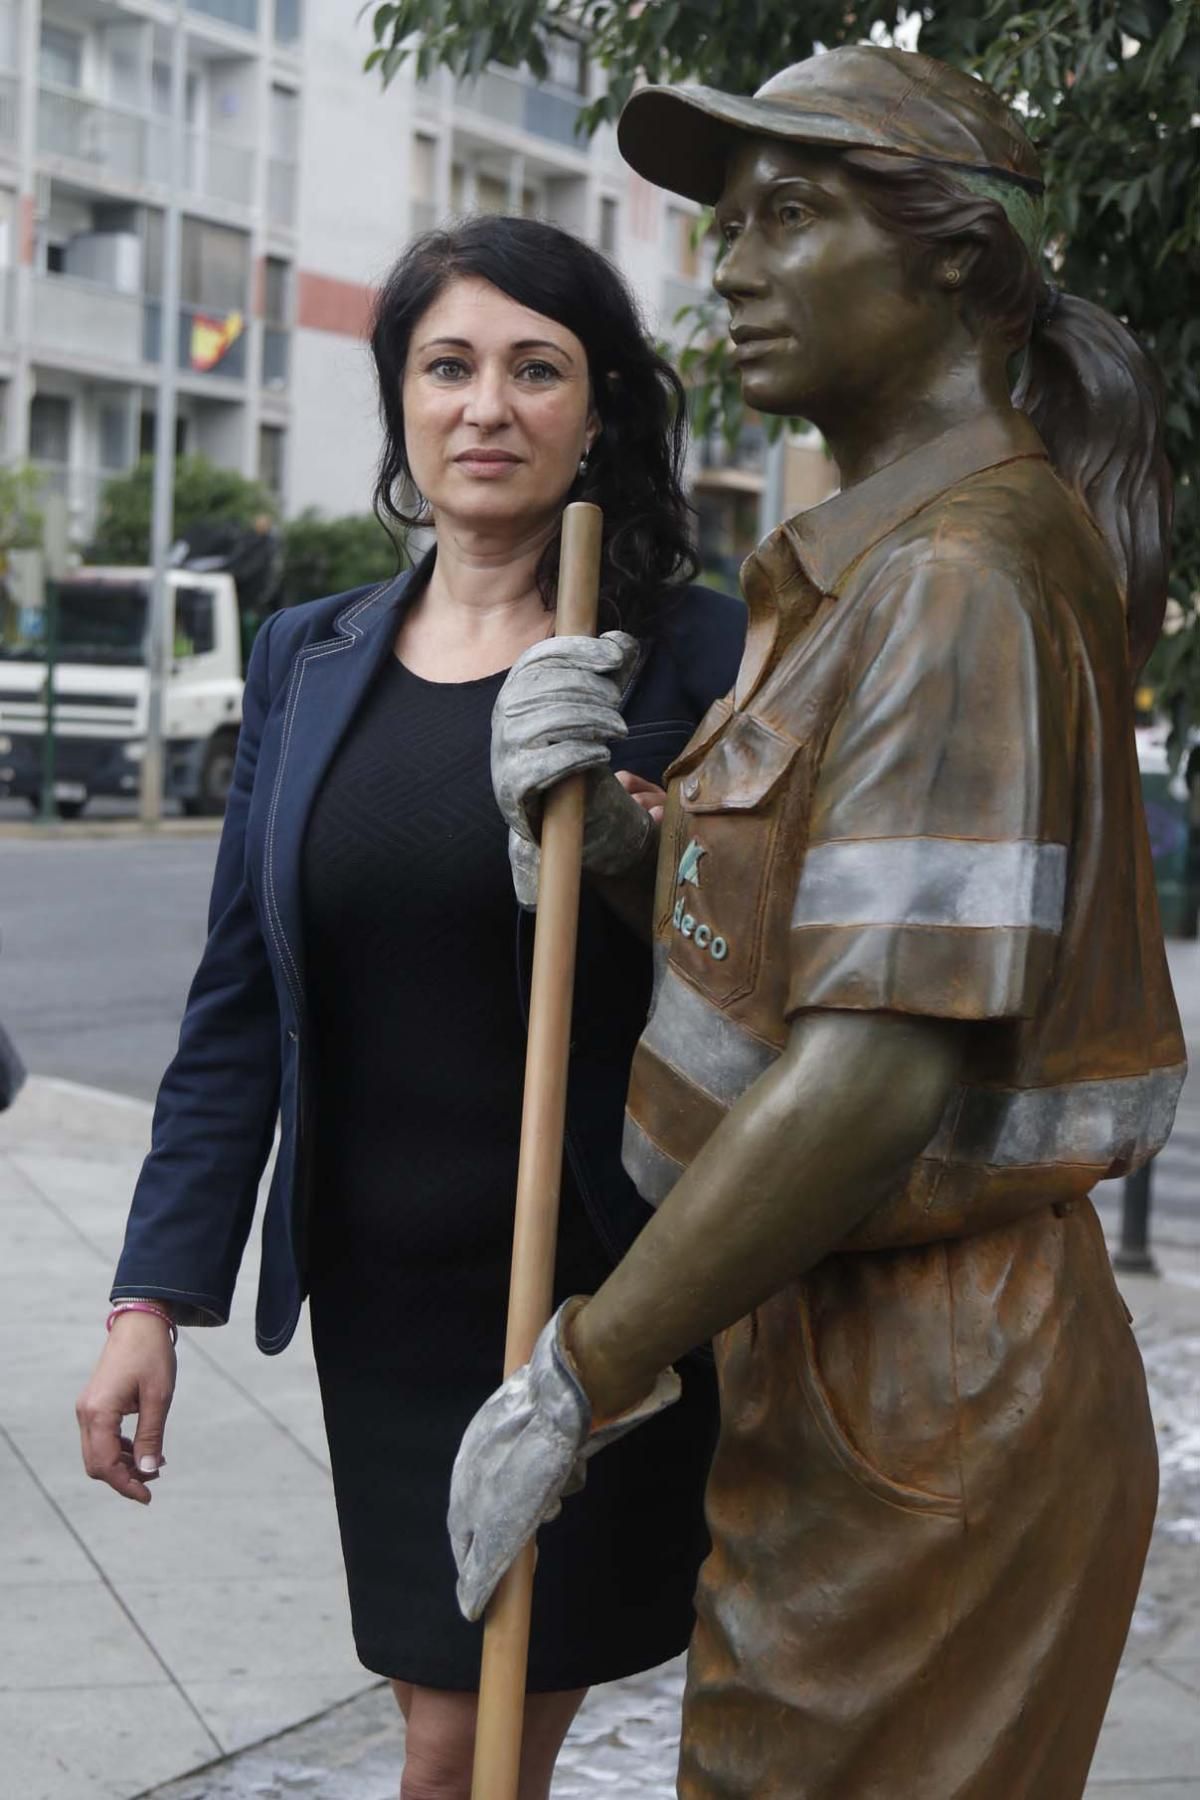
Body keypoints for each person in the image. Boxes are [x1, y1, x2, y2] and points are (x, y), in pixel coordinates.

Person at [449, 47, 1185, 1800]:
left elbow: (874, 1074)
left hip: (937, 1391)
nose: (734, 266)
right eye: (725, 227)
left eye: (793, 216)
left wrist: (580, 1372)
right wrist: (618, 849)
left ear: (955, 260)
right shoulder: (864, 569)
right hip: (859, 1371)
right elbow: (802, 942)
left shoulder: (953, 581)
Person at [75, 216, 745, 1800]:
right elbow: (241, 1001)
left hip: (596, 1304)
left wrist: (647, 843)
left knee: (472, 1739)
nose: (486, 406)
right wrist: (148, 1300)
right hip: (382, 1305)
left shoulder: (694, 650)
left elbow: (761, 960)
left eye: (536, 369)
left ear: (600, 410)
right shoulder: (306, 657)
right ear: (400, 400)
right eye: (448, 366)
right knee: (442, 1721)